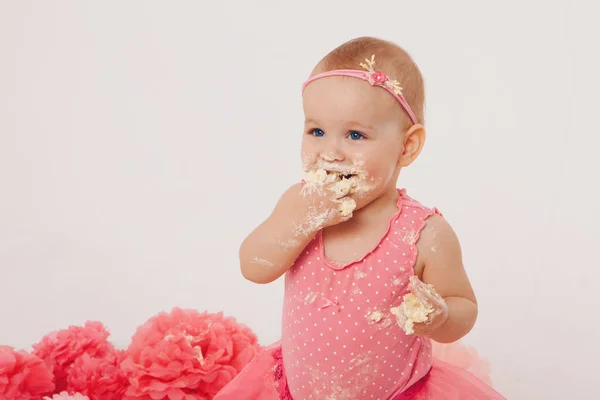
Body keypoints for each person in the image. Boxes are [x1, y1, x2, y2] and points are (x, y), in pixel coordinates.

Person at [215, 36, 506, 399]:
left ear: (407, 146)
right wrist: (297, 222)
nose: (331, 152)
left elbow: (464, 306)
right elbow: (254, 267)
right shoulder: (300, 205)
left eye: (355, 134)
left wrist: (442, 317)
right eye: (316, 131)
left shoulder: (423, 234)